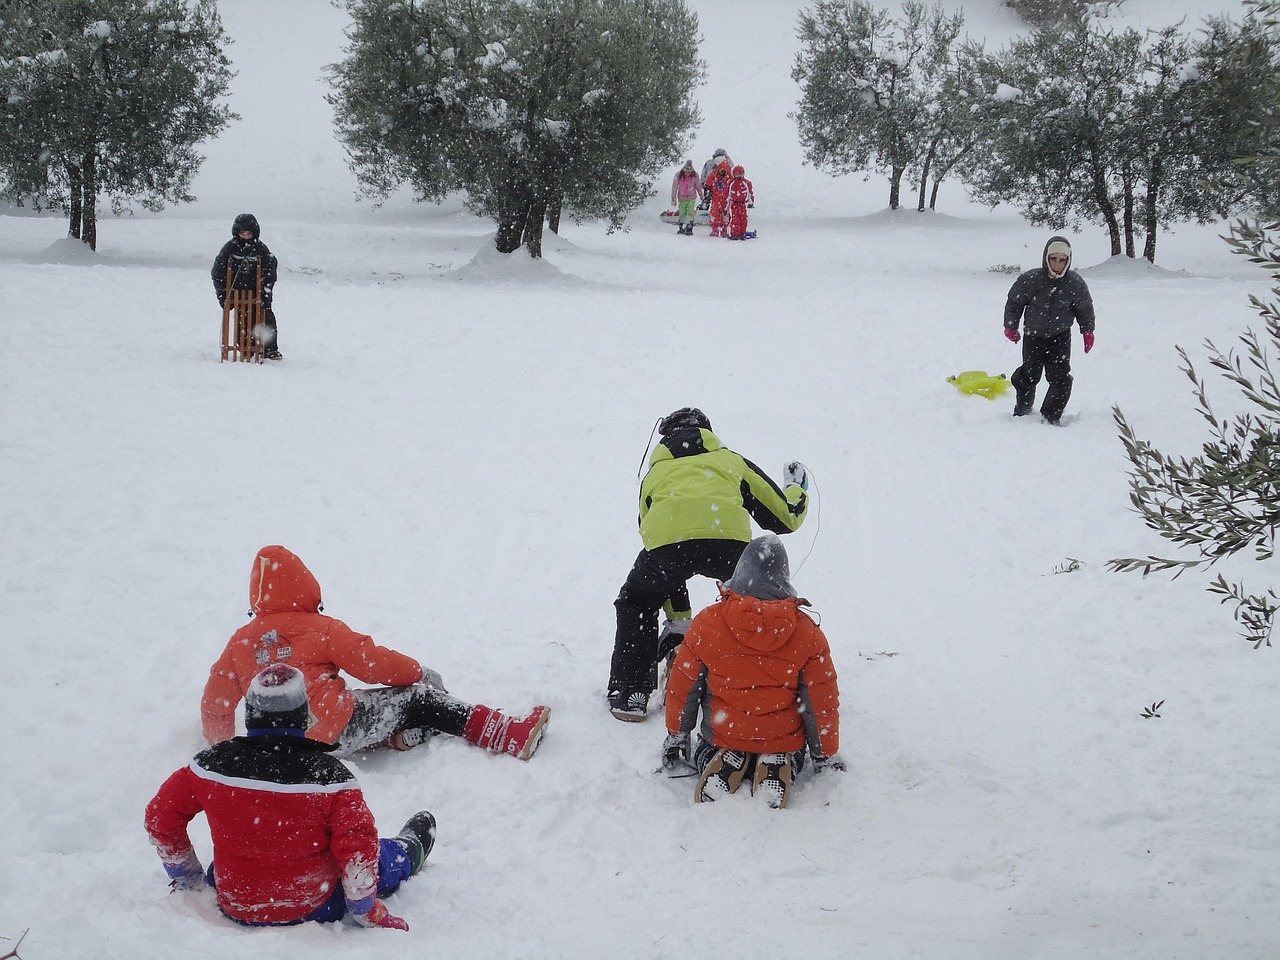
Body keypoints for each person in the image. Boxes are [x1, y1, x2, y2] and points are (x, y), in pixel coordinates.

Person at [147, 663, 436, 928]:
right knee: (381, 858)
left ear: (250, 714)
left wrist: (188, 877)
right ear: (302, 717)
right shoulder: (331, 778)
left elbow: (160, 817)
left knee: (233, 864)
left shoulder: (209, 767)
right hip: (316, 904)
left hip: (235, 900)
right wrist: (365, 909)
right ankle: (408, 851)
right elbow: (359, 850)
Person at [201, 545, 550, 760]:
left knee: (358, 702)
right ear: (305, 587)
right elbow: (373, 665)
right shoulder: (321, 628)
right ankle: (509, 735)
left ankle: (395, 738)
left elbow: (215, 703)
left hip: (281, 747)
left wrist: (223, 749)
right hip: (334, 731)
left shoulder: (241, 642)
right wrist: (416, 672)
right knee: (421, 699)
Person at [608, 407, 810, 722]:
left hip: (667, 548)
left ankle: (631, 693)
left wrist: (679, 619)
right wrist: (797, 487)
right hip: (728, 544)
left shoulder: (654, 475)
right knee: (757, 605)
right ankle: (771, 686)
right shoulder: (730, 461)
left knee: (638, 599)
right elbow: (786, 518)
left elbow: (652, 534)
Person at [661, 534, 843, 809]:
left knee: (708, 749)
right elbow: (820, 703)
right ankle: (775, 761)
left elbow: (684, 687)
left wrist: (677, 734)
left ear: (739, 571)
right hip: (783, 740)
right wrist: (824, 755)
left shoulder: (709, 623)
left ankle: (720, 758)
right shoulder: (807, 633)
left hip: (722, 734)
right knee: (788, 752)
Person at [1003, 235, 1096, 425]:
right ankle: (1023, 410)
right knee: (1029, 375)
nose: (1057, 264)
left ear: (1068, 261)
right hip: (1034, 336)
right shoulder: (1031, 279)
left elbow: (1084, 308)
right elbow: (1014, 302)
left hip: (1060, 337)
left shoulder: (1075, 284)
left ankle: (1050, 416)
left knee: (1060, 378)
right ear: (1046, 258)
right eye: (1053, 259)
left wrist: (1087, 331)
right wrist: (1011, 326)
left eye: (1062, 260)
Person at [212, 213, 282, 360]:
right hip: (237, 292)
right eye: (242, 232)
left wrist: (265, 293)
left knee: (265, 317)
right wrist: (223, 294)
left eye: (248, 232)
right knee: (242, 320)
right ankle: (246, 346)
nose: (245, 235)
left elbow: (270, 271)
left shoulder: (261, 249)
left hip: (256, 291)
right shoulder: (230, 248)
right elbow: (218, 272)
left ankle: (269, 349)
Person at [671, 160, 702, 236]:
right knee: (682, 212)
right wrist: (673, 198)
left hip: (691, 197)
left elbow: (698, 186)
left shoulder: (695, 176)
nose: (687, 173)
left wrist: (701, 195)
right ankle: (681, 227)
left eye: (689, 172)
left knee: (690, 212)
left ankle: (689, 227)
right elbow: (674, 187)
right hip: (682, 198)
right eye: (686, 171)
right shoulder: (678, 175)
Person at [726, 165, 755, 240]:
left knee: (743, 219)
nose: (738, 176)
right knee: (736, 220)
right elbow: (728, 194)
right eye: (736, 174)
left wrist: (751, 202)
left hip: (743, 204)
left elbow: (750, 193)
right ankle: (735, 234)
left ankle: (742, 233)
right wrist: (727, 205)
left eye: (740, 174)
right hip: (734, 204)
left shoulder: (746, 183)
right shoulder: (731, 183)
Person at [705, 161, 732, 239]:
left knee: (725, 215)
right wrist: (715, 182)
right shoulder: (715, 174)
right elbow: (708, 182)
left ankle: (724, 229)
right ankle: (715, 229)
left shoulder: (729, 177)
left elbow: (732, 184)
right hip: (716, 199)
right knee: (714, 214)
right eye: (721, 170)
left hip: (725, 200)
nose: (722, 172)